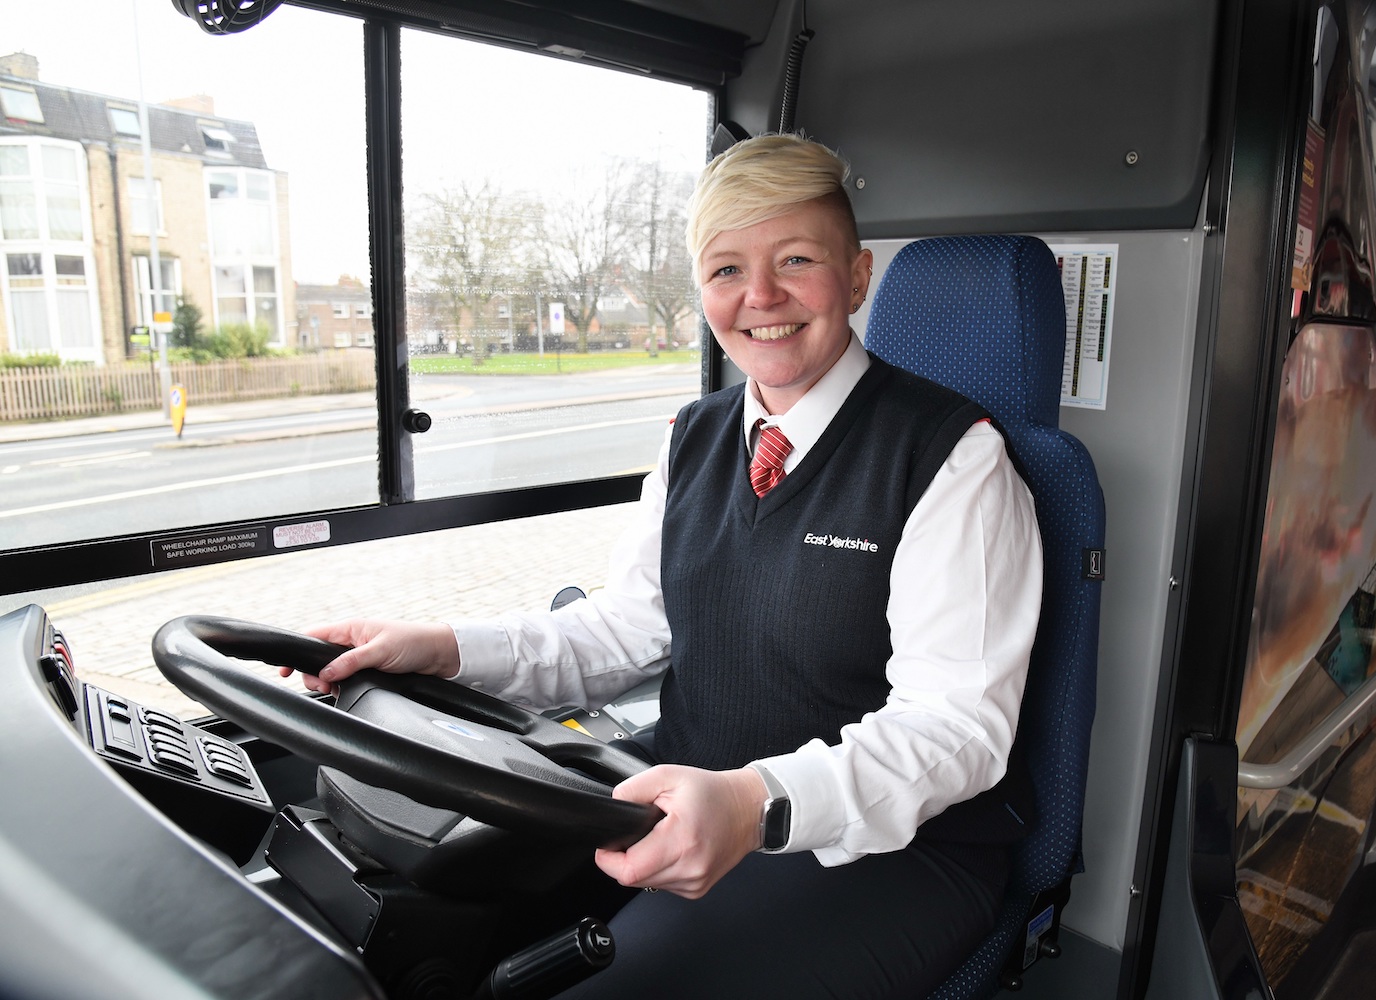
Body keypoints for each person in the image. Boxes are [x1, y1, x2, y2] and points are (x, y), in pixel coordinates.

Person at [291, 133, 1043, 999]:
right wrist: (439, 647)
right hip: (683, 796)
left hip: (892, 850)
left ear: (859, 275)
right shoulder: (695, 435)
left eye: (796, 259)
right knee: (425, 939)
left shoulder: (953, 459)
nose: (760, 296)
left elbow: (955, 732)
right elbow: (628, 628)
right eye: (726, 270)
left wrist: (753, 803)